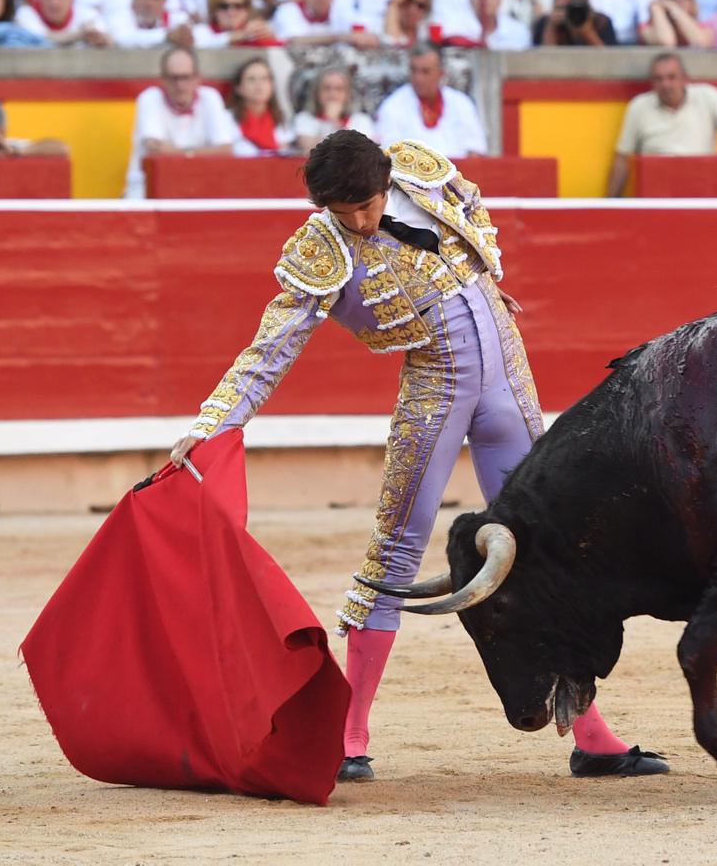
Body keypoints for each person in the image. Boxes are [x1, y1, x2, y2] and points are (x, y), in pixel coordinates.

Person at [170, 129, 668, 784]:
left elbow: (473, 205)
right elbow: (271, 349)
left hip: (506, 378)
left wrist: (487, 278)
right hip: (437, 387)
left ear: (384, 182)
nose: (359, 222)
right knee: (397, 549)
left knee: (543, 550)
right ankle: (348, 737)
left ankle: (594, 738)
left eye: (366, 207)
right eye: (342, 214)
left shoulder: (419, 171)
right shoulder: (321, 249)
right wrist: (213, 423)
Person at [606, 52, 717, 197]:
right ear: (652, 82)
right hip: (657, 191)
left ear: (684, 79)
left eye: (672, 77)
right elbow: (622, 157)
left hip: (701, 187)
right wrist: (609, 203)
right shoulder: (639, 106)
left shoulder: (707, 96)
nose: (666, 84)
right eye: (659, 79)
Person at [125, 46, 235, 198]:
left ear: (197, 78)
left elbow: (225, 150)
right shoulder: (149, 98)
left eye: (185, 77)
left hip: (199, 187)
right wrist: (203, 153)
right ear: (162, 79)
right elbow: (156, 151)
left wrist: (181, 153)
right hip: (147, 189)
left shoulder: (210, 97)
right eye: (173, 78)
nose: (180, 85)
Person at [373, 42, 487, 157]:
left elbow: (476, 150)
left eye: (425, 71)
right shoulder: (392, 107)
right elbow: (389, 155)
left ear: (441, 73)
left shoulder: (462, 103)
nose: (418, 78)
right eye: (414, 70)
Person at [294, 64, 376, 149]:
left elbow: (367, 152)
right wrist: (329, 121)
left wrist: (336, 123)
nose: (332, 94)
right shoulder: (305, 119)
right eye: (326, 88)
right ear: (316, 93)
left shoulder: (361, 120)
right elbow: (309, 151)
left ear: (347, 94)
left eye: (339, 89)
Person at [227, 57, 294, 156]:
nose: (259, 84)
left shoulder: (280, 118)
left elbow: (284, 153)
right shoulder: (227, 118)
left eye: (265, 79)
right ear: (238, 88)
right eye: (251, 79)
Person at [107, 0, 188, 47]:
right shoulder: (119, 16)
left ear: (165, 0)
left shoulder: (177, 18)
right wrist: (166, 36)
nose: (149, 3)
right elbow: (123, 39)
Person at [533, 0, 618, 46]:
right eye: (563, 7)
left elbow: (607, 57)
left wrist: (586, 30)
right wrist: (551, 26)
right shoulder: (544, 22)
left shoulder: (601, 21)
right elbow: (544, 58)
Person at [641, 0, 715, 48]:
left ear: (692, 0)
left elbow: (701, 43)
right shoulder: (647, 27)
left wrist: (675, 9)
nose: (679, 0)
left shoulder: (703, 27)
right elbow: (666, 42)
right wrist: (656, 8)